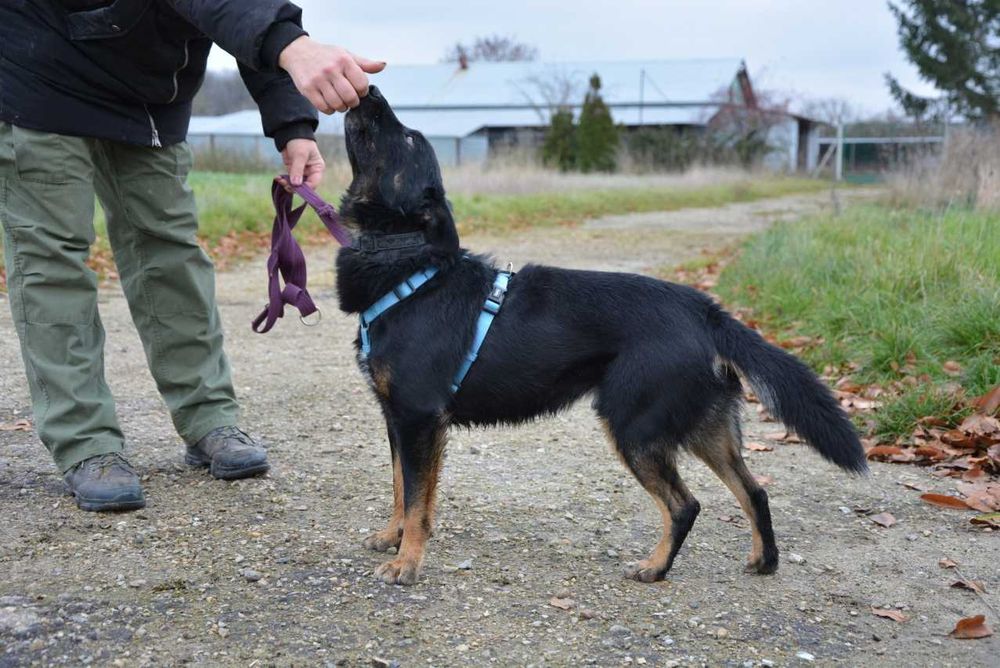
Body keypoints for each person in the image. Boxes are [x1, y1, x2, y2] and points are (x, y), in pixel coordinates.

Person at [0, 0, 383, 512]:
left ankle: (207, 416)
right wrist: (294, 47)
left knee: (171, 252)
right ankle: (86, 443)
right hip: (38, 70)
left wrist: (293, 126)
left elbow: (246, 13)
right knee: (53, 259)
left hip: (148, 93)